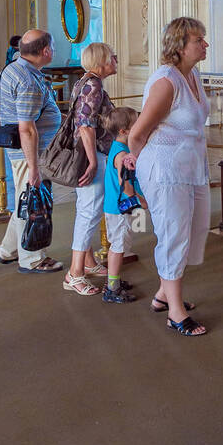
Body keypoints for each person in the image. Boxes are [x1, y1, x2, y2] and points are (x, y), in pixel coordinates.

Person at [127, 17, 211, 335]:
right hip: (165, 169)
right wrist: (139, 169)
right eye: (198, 40)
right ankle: (175, 312)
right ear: (179, 45)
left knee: (193, 231)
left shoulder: (193, 75)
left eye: (203, 39)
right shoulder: (166, 81)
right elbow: (137, 134)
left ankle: (164, 294)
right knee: (174, 235)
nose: (205, 44)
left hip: (190, 167)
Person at [0, 29, 63, 273]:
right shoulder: (27, 80)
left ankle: (8, 250)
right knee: (34, 205)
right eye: (52, 47)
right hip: (30, 153)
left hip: (25, 152)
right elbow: (27, 129)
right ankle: (32, 259)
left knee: (25, 200)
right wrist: (34, 166)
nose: (53, 51)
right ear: (45, 51)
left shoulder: (15, 67)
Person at [63, 42, 120, 297]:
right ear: (101, 62)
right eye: (112, 57)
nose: (116, 60)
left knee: (85, 209)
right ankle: (74, 274)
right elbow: (85, 126)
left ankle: (86, 261)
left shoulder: (84, 81)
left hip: (87, 153)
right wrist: (93, 161)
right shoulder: (93, 84)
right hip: (91, 154)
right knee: (90, 211)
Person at [101, 107, 144, 305]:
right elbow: (125, 183)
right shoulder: (122, 155)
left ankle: (113, 279)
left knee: (117, 245)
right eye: (136, 124)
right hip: (120, 207)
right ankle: (112, 288)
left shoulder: (117, 148)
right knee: (119, 247)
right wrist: (140, 201)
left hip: (113, 206)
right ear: (124, 131)